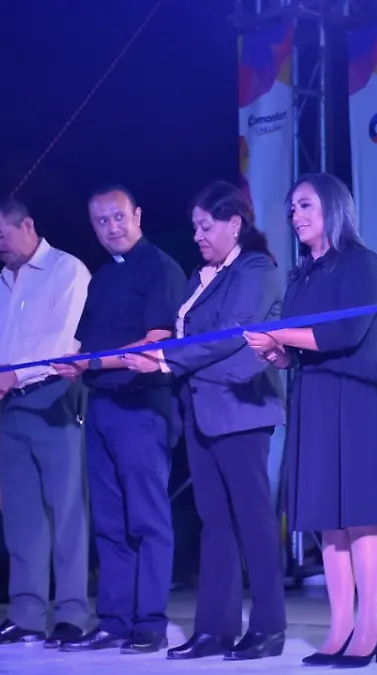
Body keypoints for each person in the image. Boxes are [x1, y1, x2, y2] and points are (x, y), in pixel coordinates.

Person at [243, 172, 377, 668]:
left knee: (360, 516)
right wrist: (276, 354)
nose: (295, 215)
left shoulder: (363, 263)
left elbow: (344, 334)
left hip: (358, 395)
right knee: (328, 521)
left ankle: (369, 628)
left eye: (305, 205)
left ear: (333, 206)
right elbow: (297, 348)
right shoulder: (301, 275)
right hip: (315, 396)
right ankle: (340, 626)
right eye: (292, 208)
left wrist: (278, 335)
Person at [122, 180, 288, 662]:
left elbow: (230, 334)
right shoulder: (199, 276)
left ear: (235, 224)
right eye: (194, 227)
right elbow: (186, 336)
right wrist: (156, 351)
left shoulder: (256, 269)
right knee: (215, 523)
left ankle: (269, 626)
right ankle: (215, 629)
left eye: (205, 226)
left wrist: (164, 361)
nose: (197, 235)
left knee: (254, 522)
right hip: (200, 410)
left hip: (240, 409)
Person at [0, 198, 93, 649]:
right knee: (22, 516)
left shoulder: (67, 269)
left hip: (55, 397)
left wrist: (12, 374)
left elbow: (63, 340)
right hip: (9, 408)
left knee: (67, 511)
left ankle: (72, 614)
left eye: (1, 235)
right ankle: (26, 614)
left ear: (27, 224)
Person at [53, 186, 186, 654]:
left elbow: (154, 344)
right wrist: (71, 364)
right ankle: (113, 619)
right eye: (101, 221)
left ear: (138, 215)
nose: (111, 228)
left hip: (143, 406)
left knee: (147, 518)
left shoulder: (161, 268)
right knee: (109, 521)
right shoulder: (103, 277)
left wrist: (89, 363)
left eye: (118, 217)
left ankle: (150, 621)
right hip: (102, 407)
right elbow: (84, 346)